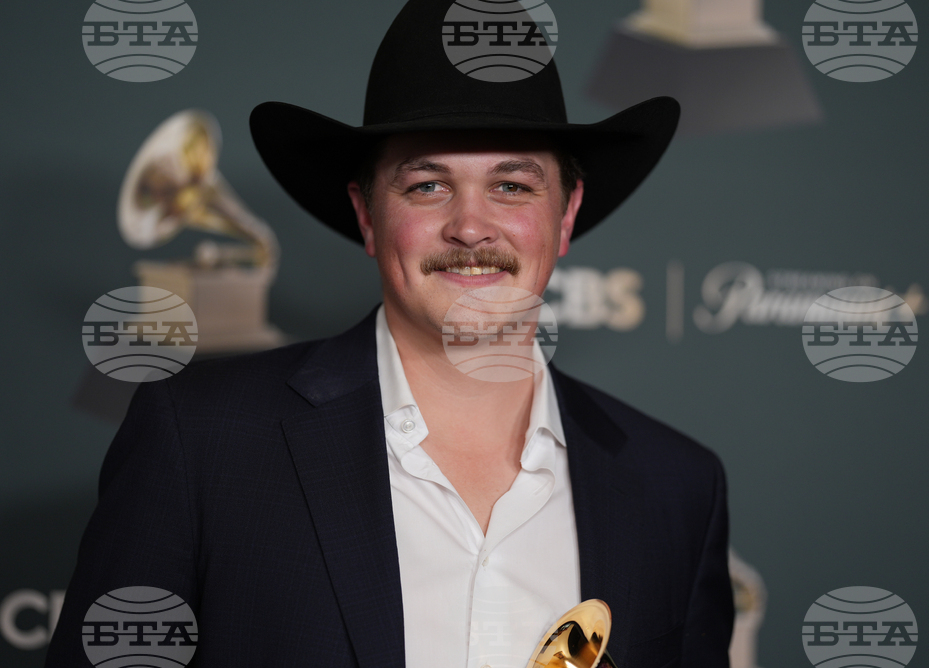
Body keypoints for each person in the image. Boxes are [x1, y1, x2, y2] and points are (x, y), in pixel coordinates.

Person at [46, 1, 734, 666]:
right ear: (368, 217)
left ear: (566, 216)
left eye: (513, 187)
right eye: (427, 186)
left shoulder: (675, 486)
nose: (470, 225)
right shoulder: (199, 438)